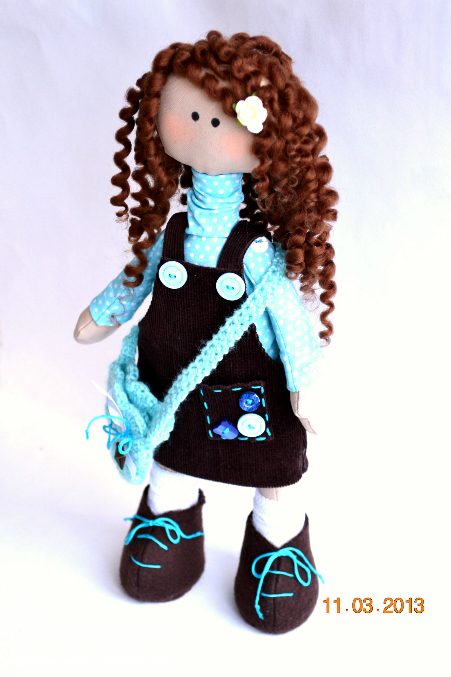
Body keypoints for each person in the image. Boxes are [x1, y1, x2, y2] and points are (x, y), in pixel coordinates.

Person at [74, 30, 338, 634]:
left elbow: (289, 320)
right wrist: (102, 314)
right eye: (189, 112)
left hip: (250, 395)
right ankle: (170, 518)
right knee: (170, 451)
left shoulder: (257, 255)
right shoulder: (171, 237)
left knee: (273, 470)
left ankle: (278, 541)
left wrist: (305, 382)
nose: (205, 126)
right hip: (170, 386)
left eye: (223, 117)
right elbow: (132, 282)